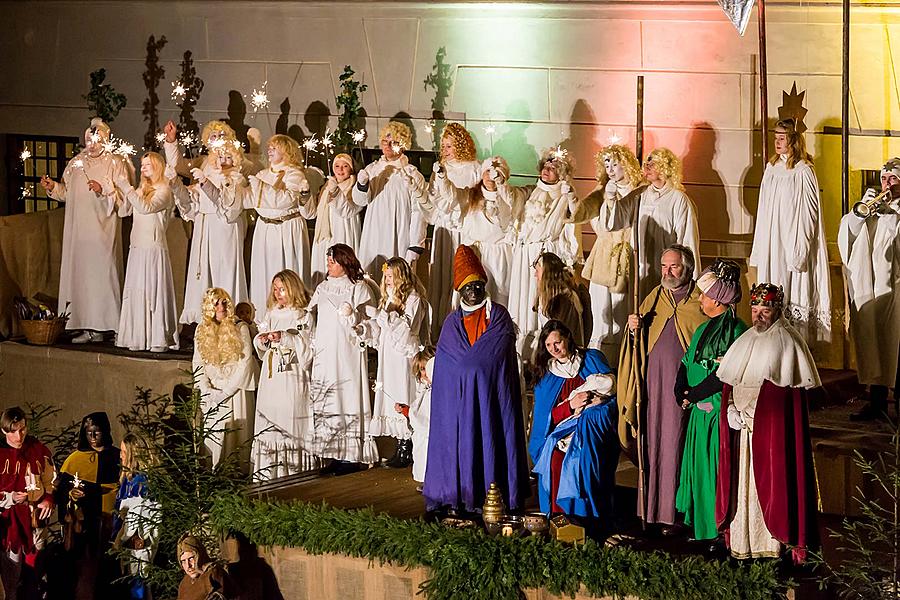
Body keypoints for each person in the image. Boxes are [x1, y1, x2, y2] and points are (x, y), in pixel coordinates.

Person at [715, 283, 820, 563]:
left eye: (765, 309)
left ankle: (772, 548)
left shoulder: (788, 342)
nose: (759, 315)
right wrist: (730, 410)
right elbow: (730, 383)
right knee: (741, 488)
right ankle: (742, 543)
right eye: (755, 309)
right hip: (741, 433)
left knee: (771, 486)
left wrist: (751, 415)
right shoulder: (745, 340)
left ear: (777, 310)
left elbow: (780, 400)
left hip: (769, 436)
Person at [424, 245, 529, 512]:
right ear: (459, 291)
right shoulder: (451, 323)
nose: (473, 292)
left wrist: (472, 370)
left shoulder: (499, 317)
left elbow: (494, 355)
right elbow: (448, 367)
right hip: (458, 404)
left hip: (490, 397)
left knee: (490, 441)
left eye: (477, 286)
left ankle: (493, 495)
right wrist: (467, 372)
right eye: (468, 288)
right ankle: (459, 494)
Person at [618, 245, 707, 531]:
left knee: (679, 447)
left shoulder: (700, 302)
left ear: (688, 268)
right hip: (651, 391)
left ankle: (678, 513)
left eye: (674, 267)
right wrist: (633, 329)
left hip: (682, 393)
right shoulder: (653, 299)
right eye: (664, 266)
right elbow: (634, 349)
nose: (667, 272)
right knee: (652, 446)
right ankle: (651, 510)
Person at [673, 259, 747, 547]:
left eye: (704, 294)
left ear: (717, 298)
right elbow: (686, 360)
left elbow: (725, 372)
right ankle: (698, 524)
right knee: (696, 472)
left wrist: (695, 394)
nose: (700, 299)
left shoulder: (736, 330)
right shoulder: (704, 329)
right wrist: (681, 389)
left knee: (712, 474)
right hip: (698, 415)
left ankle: (715, 529)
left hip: (715, 414)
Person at [40, 117, 132, 343]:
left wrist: (103, 191)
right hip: (79, 232)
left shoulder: (115, 162)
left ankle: (106, 325)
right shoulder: (75, 164)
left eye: (95, 140)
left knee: (103, 275)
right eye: (88, 140)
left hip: (102, 230)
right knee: (81, 277)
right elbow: (66, 192)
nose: (91, 144)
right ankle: (86, 325)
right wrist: (54, 187)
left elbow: (125, 199)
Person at [529, 321, 619, 527]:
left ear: (568, 337)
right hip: (561, 430)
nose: (555, 349)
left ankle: (585, 518)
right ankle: (559, 518)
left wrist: (597, 404)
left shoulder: (592, 359)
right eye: (549, 346)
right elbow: (546, 417)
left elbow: (613, 394)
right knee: (555, 457)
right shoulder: (547, 374)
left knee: (580, 458)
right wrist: (570, 405)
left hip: (591, 429)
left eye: (558, 342)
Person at [749, 118, 831, 343]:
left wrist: (799, 250)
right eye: (775, 138)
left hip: (792, 241)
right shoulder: (771, 168)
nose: (777, 142)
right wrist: (759, 249)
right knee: (772, 286)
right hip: (772, 242)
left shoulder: (803, 170)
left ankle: (795, 343)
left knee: (792, 287)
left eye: (782, 138)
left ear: (793, 140)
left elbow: (809, 213)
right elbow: (763, 209)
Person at [168, 121, 250, 325]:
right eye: (212, 134)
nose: (216, 137)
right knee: (203, 271)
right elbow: (181, 168)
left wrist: (205, 182)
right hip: (205, 225)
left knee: (224, 268)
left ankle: (228, 318)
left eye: (221, 134)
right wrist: (171, 143)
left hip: (225, 226)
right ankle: (205, 320)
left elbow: (227, 201)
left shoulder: (235, 174)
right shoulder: (204, 163)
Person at [501, 147, 581, 353]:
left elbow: (573, 223)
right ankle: (523, 348)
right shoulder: (531, 191)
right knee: (524, 300)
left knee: (544, 301)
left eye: (553, 168)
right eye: (545, 166)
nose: (547, 170)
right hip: (526, 255)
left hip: (547, 255)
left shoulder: (565, 196)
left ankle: (545, 346)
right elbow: (512, 199)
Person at [593, 148, 699, 302]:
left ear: (665, 167)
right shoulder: (640, 194)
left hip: (667, 269)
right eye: (646, 163)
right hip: (642, 266)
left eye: (653, 163)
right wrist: (610, 198)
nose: (647, 167)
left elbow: (688, 240)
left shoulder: (678, 199)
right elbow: (616, 220)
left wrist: (691, 279)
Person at [308, 244, 379, 474]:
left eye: (333, 261)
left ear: (345, 262)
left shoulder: (358, 289)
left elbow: (372, 322)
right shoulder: (322, 287)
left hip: (347, 355)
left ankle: (350, 456)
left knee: (346, 397)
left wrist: (355, 318)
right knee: (328, 399)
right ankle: (332, 452)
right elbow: (310, 315)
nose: (328, 264)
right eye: (328, 260)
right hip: (325, 353)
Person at [838, 158, 900, 420]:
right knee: (872, 344)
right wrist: (859, 214)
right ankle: (875, 402)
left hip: (894, 291)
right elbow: (846, 238)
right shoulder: (869, 209)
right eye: (884, 178)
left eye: (893, 179)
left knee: (895, 345)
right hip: (869, 290)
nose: (887, 184)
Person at [356, 257, 429, 468]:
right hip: (389, 356)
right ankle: (399, 444)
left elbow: (406, 331)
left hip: (404, 356)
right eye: (385, 276)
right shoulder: (389, 298)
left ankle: (407, 445)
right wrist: (364, 328)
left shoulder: (413, 299)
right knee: (391, 395)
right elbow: (382, 331)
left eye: (391, 276)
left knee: (404, 393)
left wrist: (382, 316)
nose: (387, 280)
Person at [578, 144, 645, 361]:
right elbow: (595, 220)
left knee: (622, 307)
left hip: (626, 256)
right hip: (604, 256)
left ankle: (621, 359)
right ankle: (598, 358)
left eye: (615, 164)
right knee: (600, 309)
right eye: (607, 164)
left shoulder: (639, 191)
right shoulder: (602, 191)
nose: (611, 169)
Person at [113, 151, 180, 352]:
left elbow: (146, 208)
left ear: (158, 167)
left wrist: (127, 188)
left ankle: (158, 338)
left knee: (153, 291)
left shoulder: (164, 190)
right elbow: (125, 211)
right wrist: (114, 191)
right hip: (137, 248)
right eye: (142, 165)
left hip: (153, 248)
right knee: (138, 291)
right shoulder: (141, 188)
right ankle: (136, 336)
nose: (143, 168)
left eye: (148, 165)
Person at [252, 270, 314, 479]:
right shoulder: (271, 314)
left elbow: (308, 347)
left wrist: (285, 337)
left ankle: (295, 473)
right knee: (270, 422)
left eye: (282, 289)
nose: (278, 294)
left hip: (292, 376)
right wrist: (261, 341)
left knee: (291, 420)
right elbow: (261, 341)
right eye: (275, 289)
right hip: (271, 378)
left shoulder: (303, 315)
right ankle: (268, 473)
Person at [423, 123, 481, 337]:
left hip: (463, 227)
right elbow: (433, 197)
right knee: (441, 272)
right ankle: (439, 324)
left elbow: (471, 198)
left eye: (450, 146)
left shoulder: (473, 168)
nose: (445, 150)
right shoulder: (441, 168)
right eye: (443, 146)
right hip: (444, 227)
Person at [57, 412, 121, 600]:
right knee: (85, 571)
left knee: (110, 570)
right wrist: (71, 494)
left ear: (105, 432)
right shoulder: (75, 459)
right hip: (84, 526)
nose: (92, 438)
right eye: (88, 433)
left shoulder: (117, 456)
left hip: (111, 523)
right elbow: (61, 490)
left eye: (97, 433)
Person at [193, 288, 259, 469]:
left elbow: (245, 362)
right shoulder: (201, 329)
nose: (221, 307)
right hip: (212, 392)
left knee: (237, 439)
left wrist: (227, 391)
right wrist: (206, 390)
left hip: (235, 393)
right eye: (216, 303)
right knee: (215, 439)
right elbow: (198, 362)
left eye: (224, 302)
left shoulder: (240, 327)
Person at [353, 121, 427, 279]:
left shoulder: (412, 174)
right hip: (373, 234)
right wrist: (361, 184)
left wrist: (415, 245)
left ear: (403, 145)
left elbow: (419, 211)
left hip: (399, 234)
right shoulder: (372, 169)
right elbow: (360, 201)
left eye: (393, 142)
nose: (387, 146)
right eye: (385, 142)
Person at [246, 135, 314, 307]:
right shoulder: (262, 174)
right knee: (264, 274)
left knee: (287, 272)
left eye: (274, 148)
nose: (269, 150)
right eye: (269, 147)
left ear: (286, 151)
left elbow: (287, 199)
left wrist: (261, 187)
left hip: (287, 228)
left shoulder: (295, 174)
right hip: (265, 229)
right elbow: (248, 199)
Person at [0, 407, 55, 600]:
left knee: (37, 574)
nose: (19, 435)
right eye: (14, 431)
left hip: (34, 521)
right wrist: (9, 498)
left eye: (22, 429)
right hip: (8, 526)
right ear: (4, 431)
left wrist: (48, 499)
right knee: (11, 578)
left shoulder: (38, 449)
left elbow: (51, 480)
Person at [112, 433, 159, 600]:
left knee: (139, 588)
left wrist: (123, 538)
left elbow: (139, 516)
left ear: (133, 454)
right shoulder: (129, 480)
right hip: (130, 544)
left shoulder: (141, 483)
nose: (120, 455)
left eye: (124, 451)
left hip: (138, 545)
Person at [311, 153, 363, 287]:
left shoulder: (355, 187)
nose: (340, 170)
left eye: (345, 166)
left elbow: (349, 210)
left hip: (343, 230)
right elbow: (316, 211)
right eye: (337, 166)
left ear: (351, 169)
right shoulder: (327, 186)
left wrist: (335, 193)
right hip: (326, 234)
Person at [532, 252, 590, 349]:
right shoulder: (548, 296)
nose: (535, 275)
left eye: (537, 271)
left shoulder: (564, 298)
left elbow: (564, 333)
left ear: (547, 273)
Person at [408, 347, 436, 486]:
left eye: (425, 369)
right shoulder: (426, 390)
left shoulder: (436, 392)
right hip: (422, 434)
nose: (423, 375)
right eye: (420, 371)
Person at [177, 534, 234, 600]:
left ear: (200, 556)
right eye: (183, 561)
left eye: (191, 558)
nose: (188, 566)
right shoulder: (184, 583)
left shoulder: (214, 574)